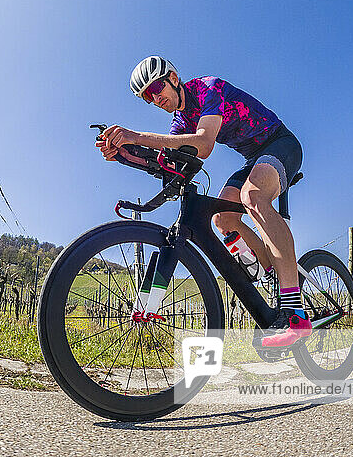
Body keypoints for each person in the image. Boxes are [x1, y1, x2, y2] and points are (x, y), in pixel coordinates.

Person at [96, 55, 312, 347]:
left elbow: (203, 144)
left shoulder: (208, 89)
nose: (155, 98)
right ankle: (276, 266)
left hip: (280, 144)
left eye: (156, 89)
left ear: (173, 78)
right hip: (252, 159)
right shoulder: (181, 121)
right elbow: (168, 161)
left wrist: (136, 135)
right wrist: (124, 154)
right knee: (223, 219)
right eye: (147, 96)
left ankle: (295, 314)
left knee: (252, 196)